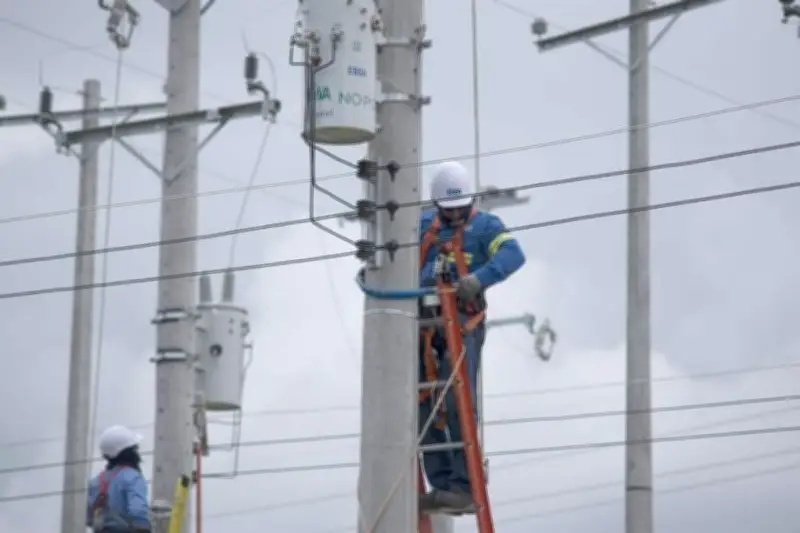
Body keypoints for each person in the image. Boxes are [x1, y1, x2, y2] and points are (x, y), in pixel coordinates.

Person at [417, 161, 526, 515]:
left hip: (462, 324)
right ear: (436, 206)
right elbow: (395, 258)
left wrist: (479, 279)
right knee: (421, 402)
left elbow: (513, 254)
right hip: (424, 324)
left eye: (461, 208)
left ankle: (463, 484)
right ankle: (443, 483)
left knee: (455, 400)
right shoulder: (420, 225)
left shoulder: (486, 226)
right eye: (448, 211)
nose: (456, 216)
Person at [86, 425, 151, 532]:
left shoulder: (96, 482)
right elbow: (138, 511)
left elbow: (89, 518)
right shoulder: (132, 477)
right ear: (129, 452)